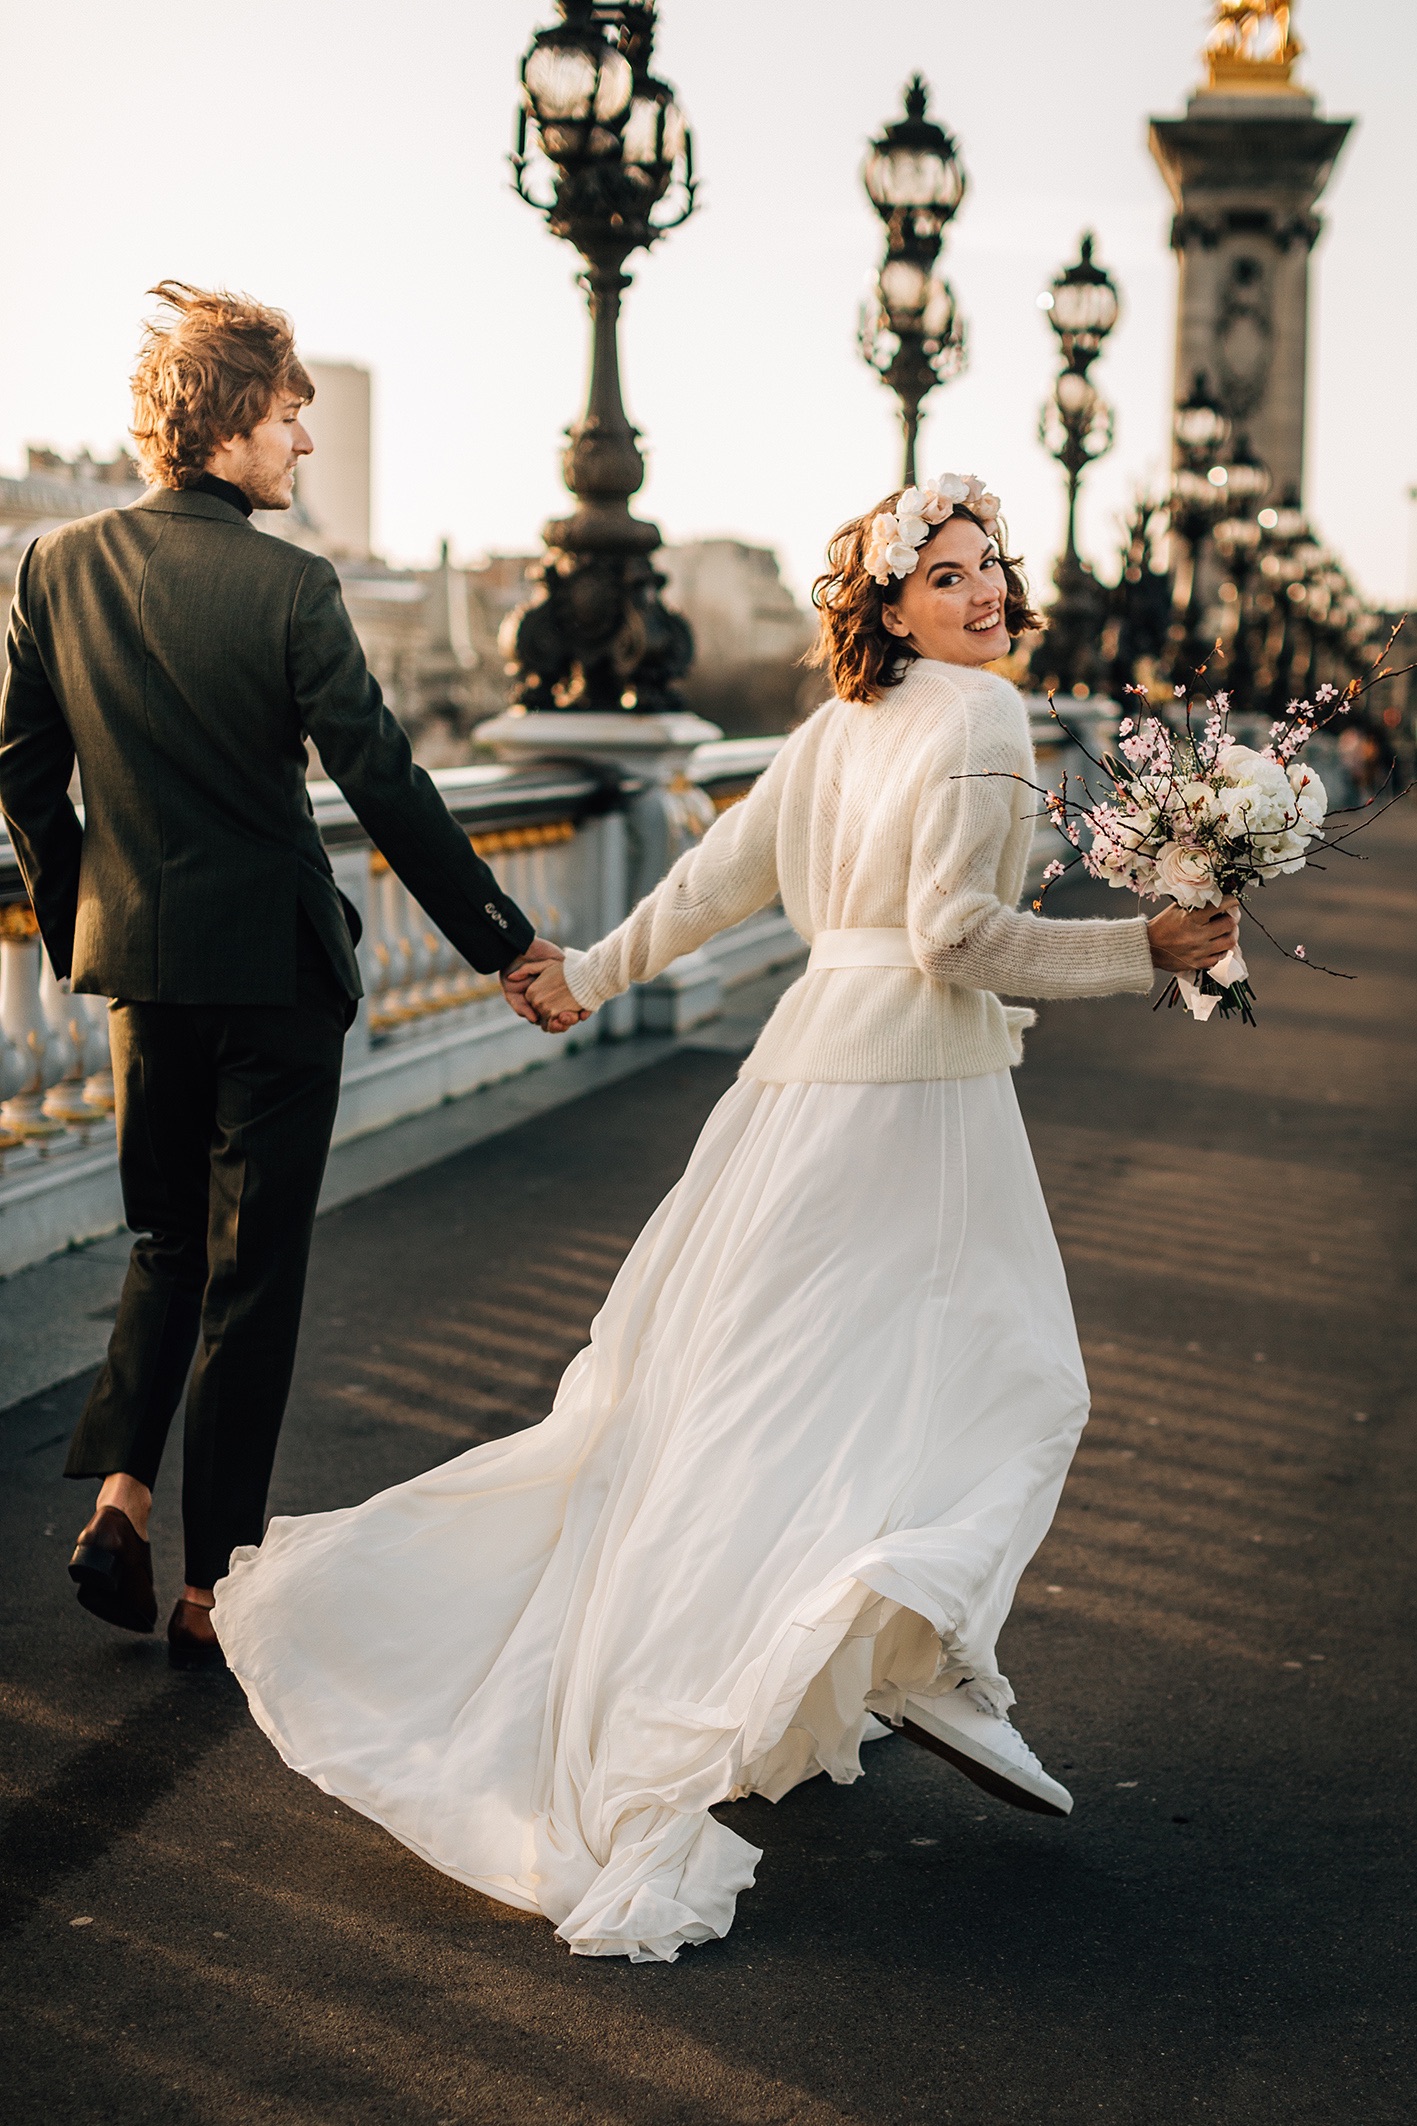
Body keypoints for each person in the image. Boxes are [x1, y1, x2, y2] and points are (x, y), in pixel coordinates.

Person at [214, 475, 1237, 1961]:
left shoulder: (837, 729)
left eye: (990, 567)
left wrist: (587, 970)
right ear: (891, 608)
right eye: (946, 575)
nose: (984, 592)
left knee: (749, 1399)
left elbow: (715, 876)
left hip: (794, 1085)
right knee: (1009, 1377)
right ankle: (924, 1647)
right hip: (919, 1096)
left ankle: (893, 1647)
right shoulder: (980, 717)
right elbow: (957, 939)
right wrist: (1140, 946)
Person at [0, 282, 559, 1669]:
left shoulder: (54, 566)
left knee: (162, 1241)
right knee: (251, 1272)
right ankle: (211, 1586)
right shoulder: (293, 587)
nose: (303, 442)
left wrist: (83, 919)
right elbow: (383, 782)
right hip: (277, 975)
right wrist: (501, 938)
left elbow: (21, 772)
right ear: (228, 419)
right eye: (289, 414)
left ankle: (123, 1499)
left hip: (140, 969)